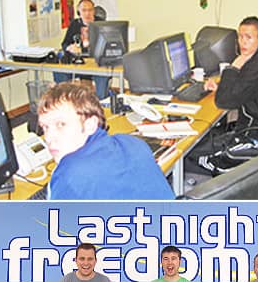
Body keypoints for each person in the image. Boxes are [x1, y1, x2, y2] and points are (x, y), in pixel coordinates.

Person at [36, 81, 174, 199]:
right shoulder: (133, 142)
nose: (48, 137)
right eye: (45, 127)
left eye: (61, 124)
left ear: (90, 125)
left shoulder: (70, 173)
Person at [194, 16, 258, 174]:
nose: (243, 42)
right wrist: (221, 86)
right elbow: (246, 86)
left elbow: (223, 102)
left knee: (194, 156)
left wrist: (233, 67)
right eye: (240, 37)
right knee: (204, 141)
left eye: (249, 37)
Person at [54, 0, 110, 99]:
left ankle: (101, 103)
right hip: (79, 64)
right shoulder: (75, 24)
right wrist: (69, 47)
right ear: (79, 11)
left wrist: (84, 49)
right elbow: (64, 43)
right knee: (59, 72)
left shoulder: (101, 24)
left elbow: (107, 47)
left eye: (90, 10)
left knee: (102, 76)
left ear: (94, 11)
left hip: (96, 64)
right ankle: (64, 101)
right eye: (84, 10)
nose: (87, 13)